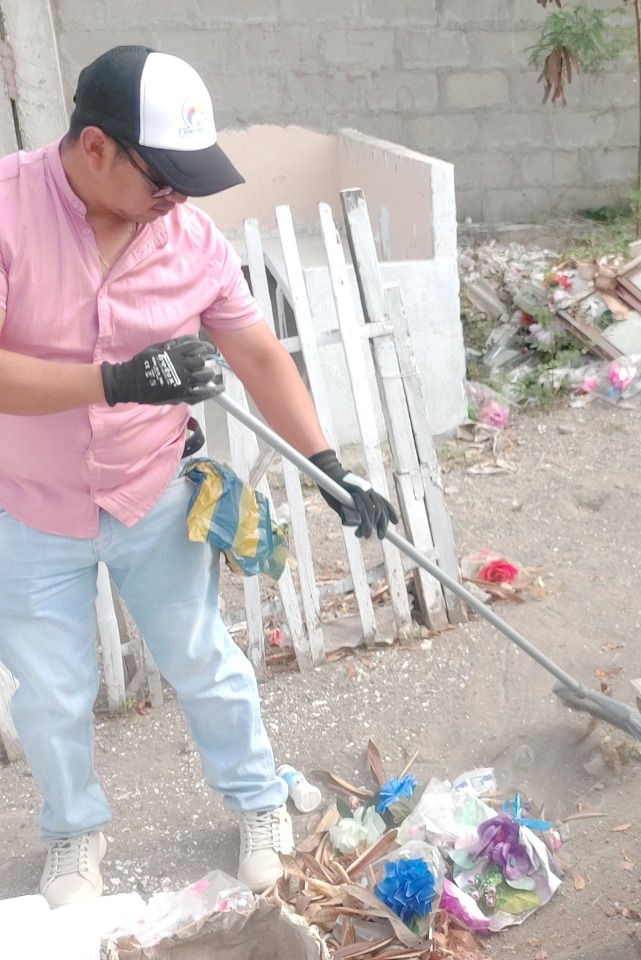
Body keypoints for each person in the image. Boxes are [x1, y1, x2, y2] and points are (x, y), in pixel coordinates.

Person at [0, 45, 398, 907]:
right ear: (97, 147)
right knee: (53, 694)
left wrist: (329, 467)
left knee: (205, 662)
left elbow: (257, 352)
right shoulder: (4, 210)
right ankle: (72, 833)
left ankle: (258, 803)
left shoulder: (189, 239)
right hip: (28, 507)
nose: (178, 199)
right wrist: (117, 380)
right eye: (165, 179)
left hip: (150, 492)